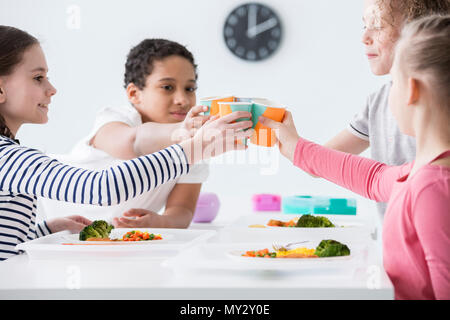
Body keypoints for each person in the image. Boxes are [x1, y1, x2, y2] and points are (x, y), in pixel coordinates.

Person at [0, 26, 253, 261]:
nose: (52, 89)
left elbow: (10, 244)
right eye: (37, 78)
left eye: (190, 88)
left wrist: (46, 229)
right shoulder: (8, 157)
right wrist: (189, 147)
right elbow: (102, 187)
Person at [261, 15, 450, 300]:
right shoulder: (420, 175)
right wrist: (295, 147)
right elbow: (371, 177)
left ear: (411, 90)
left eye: (393, 82)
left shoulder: (433, 188)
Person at [38, 39, 213, 229]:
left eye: (190, 88)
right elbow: (135, 142)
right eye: (167, 87)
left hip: (104, 239)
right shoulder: (115, 120)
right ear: (134, 94)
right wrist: (182, 133)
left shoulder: (193, 147)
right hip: (42, 217)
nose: (182, 100)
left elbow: (182, 210)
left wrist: (161, 221)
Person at [324, 0, 449, 217]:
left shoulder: (439, 104)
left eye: (378, 25)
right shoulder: (378, 102)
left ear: (418, 31)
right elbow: (322, 160)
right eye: (365, 25)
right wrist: (269, 128)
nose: (364, 37)